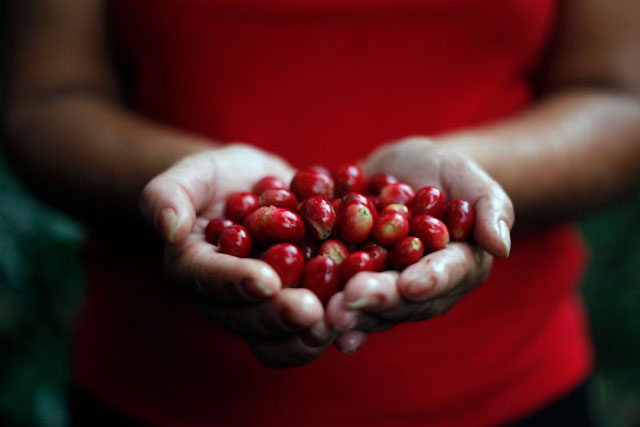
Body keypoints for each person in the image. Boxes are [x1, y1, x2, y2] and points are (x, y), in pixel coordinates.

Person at [3, 0, 640, 425]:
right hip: (155, 394)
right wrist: (182, 183)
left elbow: (622, 102)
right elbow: (44, 103)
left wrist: (475, 181)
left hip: (508, 391)